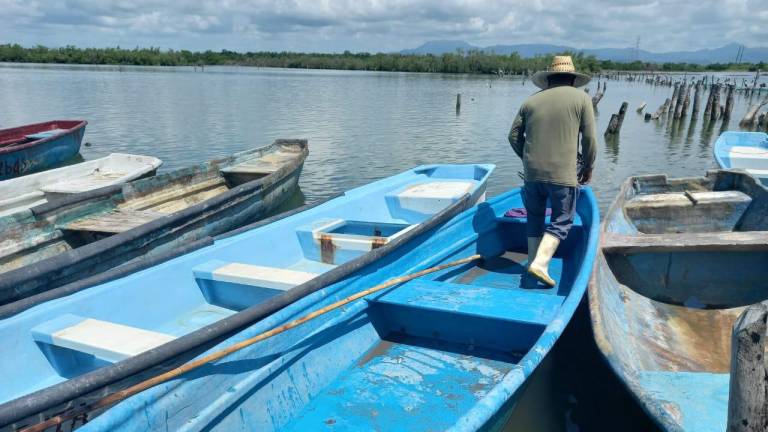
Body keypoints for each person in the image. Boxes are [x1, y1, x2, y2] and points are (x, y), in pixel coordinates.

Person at [508, 55, 597, 287]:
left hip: (532, 174)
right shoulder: (582, 98)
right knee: (562, 220)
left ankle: (531, 261)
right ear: (572, 79)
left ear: (548, 79)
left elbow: (513, 136)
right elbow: (589, 139)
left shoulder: (530, 101)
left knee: (535, 217)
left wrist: (527, 159)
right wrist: (588, 166)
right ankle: (541, 263)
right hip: (562, 174)